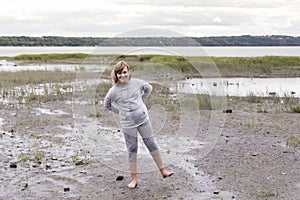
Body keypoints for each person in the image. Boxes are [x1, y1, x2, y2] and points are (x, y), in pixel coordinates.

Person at [104, 61, 174, 189]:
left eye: (124, 72)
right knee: (132, 149)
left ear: (129, 72)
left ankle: (163, 171)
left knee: (151, 144)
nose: (122, 75)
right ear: (116, 75)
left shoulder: (136, 83)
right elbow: (107, 104)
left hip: (143, 120)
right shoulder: (113, 91)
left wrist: (141, 101)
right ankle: (134, 179)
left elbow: (149, 88)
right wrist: (119, 111)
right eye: (119, 73)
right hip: (128, 124)